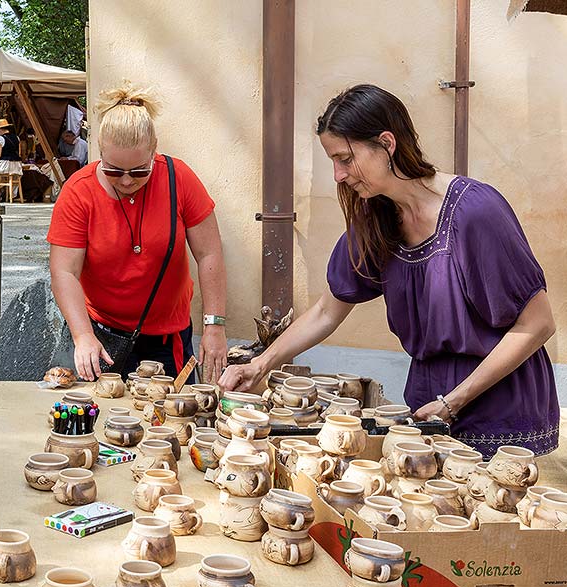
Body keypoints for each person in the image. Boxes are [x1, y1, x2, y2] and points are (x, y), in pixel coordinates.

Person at [220, 84, 559, 458]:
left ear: (386, 143)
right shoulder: (377, 218)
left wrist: (454, 401)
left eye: (345, 159)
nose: (338, 174)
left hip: (499, 412)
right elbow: (326, 311)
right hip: (431, 405)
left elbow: (538, 323)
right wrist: (260, 364)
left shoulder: (476, 213)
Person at [48, 82, 229, 383]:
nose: (128, 181)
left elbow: (209, 253)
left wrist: (214, 326)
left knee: (171, 421)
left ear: (154, 151)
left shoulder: (179, 179)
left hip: (167, 337)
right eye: (115, 170)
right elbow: (64, 271)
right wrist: (82, 335)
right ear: (100, 152)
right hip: (100, 335)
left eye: (140, 170)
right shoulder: (79, 192)